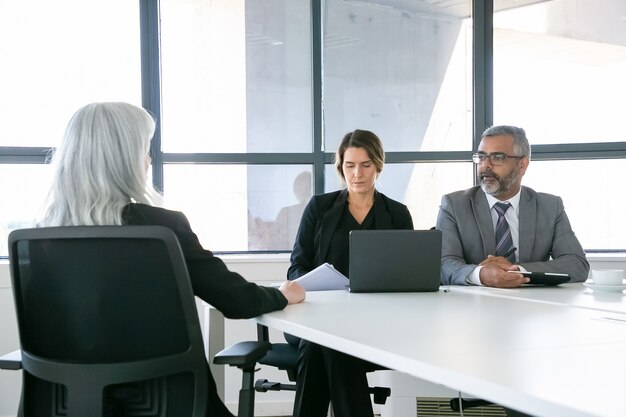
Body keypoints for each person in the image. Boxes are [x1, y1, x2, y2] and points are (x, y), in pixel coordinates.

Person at [38, 102, 305, 417]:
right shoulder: (160, 227)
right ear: (122, 160)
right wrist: (281, 294)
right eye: (144, 150)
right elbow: (236, 300)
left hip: (69, 402)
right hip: (163, 402)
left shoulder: (42, 238)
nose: (149, 160)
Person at [288, 129, 414, 417]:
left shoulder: (397, 214)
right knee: (329, 342)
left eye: (366, 165)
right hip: (317, 317)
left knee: (322, 347)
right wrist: (310, 283)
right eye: (350, 165)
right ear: (341, 168)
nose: (357, 173)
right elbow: (297, 265)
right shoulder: (319, 208)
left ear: (378, 166)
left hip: (374, 321)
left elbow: (407, 274)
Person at [436, 125, 589, 289]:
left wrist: (518, 271)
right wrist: (480, 274)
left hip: (534, 306)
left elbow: (577, 264)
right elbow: (443, 264)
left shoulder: (550, 207)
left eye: (498, 157)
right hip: (474, 306)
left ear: (522, 164)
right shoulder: (454, 205)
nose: (485, 166)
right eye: (481, 157)